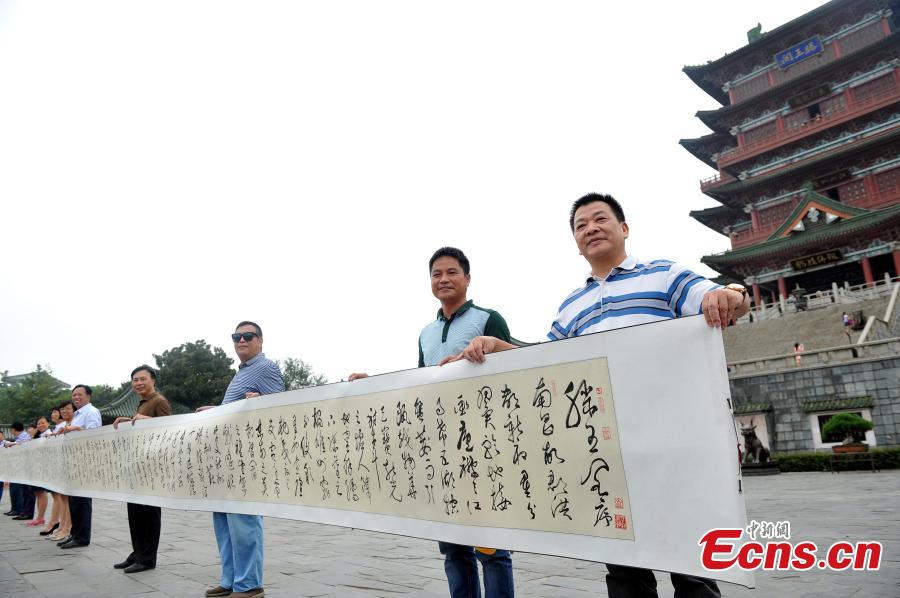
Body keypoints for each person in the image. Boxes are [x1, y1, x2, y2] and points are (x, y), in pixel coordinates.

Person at [449, 193, 749, 598]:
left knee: (691, 570)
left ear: (624, 228)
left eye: (599, 219)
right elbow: (545, 365)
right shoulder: (572, 307)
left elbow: (721, 300)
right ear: (576, 242)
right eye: (580, 225)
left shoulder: (665, 276)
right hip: (608, 453)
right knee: (625, 573)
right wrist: (496, 347)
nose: (590, 228)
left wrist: (729, 292)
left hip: (673, 448)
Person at [349, 247, 516, 598]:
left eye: (452, 272)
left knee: (493, 548)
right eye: (436, 274)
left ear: (467, 279)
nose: (444, 279)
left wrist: (491, 347)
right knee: (453, 545)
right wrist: (375, 382)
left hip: (483, 447)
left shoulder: (489, 318)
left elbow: (515, 366)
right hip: (441, 449)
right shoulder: (426, 332)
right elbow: (421, 383)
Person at [197, 321, 284, 598]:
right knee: (223, 521)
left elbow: (278, 406)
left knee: (243, 521)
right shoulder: (243, 372)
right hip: (227, 455)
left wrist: (260, 400)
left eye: (248, 336)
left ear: (261, 340)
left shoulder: (266, 367)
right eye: (237, 336)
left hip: (246, 458)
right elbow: (235, 409)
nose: (241, 340)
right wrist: (217, 409)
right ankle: (230, 579)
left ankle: (249, 585)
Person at [111, 365, 172, 574]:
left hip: (152, 469)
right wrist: (129, 421)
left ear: (153, 380)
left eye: (142, 379)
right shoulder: (142, 403)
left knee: (149, 514)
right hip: (137, 467)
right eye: (135, 380)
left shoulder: (159, 401)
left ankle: (147, 559)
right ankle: (137, 553)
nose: (138, 383)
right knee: (135, 514)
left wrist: (150, 420)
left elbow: (169, 429)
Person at [57, 385, 102, 549]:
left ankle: (82, 537)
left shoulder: (91, 412)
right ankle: (75, 534)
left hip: (84, 461)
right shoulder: (77, 414)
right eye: (74, 395)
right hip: (73, 460)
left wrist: (75, 428)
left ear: (89, 396)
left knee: (82, 501)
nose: (76, 397)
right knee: (74, 500)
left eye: (80, 395)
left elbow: (94, 434)